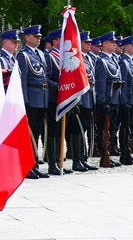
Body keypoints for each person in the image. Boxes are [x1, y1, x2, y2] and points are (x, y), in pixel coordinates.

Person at [17, 25, 50, 179]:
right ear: (27, 38)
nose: (38, 39)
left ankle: (34, 164)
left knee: (36, 133)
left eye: (39, 36)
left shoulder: (42, 55)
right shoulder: (23, 56)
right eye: (35, 36)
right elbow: (22, 80)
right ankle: (27, 166)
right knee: (29, 134)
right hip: (31, 98)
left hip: (42, 98)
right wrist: (24, 101)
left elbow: (45, 76)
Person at [44, 28, 72, 175]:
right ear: (55, 41)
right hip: (53, 99)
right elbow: (46, 79)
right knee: (53, 131)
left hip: (63, 98)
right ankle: (52, 163)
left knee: (61, 130)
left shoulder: (64, 58)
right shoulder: (50, 57)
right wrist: (59, 87)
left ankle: (59, 159)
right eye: (61, 39)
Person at [69, 31, 98, 172]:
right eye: (86, 42)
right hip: (80, 98)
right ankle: (76, 161)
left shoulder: (88, 58)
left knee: (84, 129)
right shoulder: (76, 57)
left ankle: (82, 158)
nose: (89, 44)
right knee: (77, 130)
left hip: (89, 97)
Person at [94, 31, 123, 168]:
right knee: (103, 129)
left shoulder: (114, 60)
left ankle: (109, 153)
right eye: (112, 42)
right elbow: (100, 82)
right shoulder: (101, 61)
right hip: (107, 100)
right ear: (105, 44)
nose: (114, 44)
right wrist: (102, 100)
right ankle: (103, 154)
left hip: (115, 99)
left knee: (112, 129)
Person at [118, 34, 133, 165]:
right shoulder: (124, 62)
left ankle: (129, 151)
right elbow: (124, 83)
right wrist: (124, 101)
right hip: (129, 99)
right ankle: (124, 153)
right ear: (126, 47)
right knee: (126, 127)